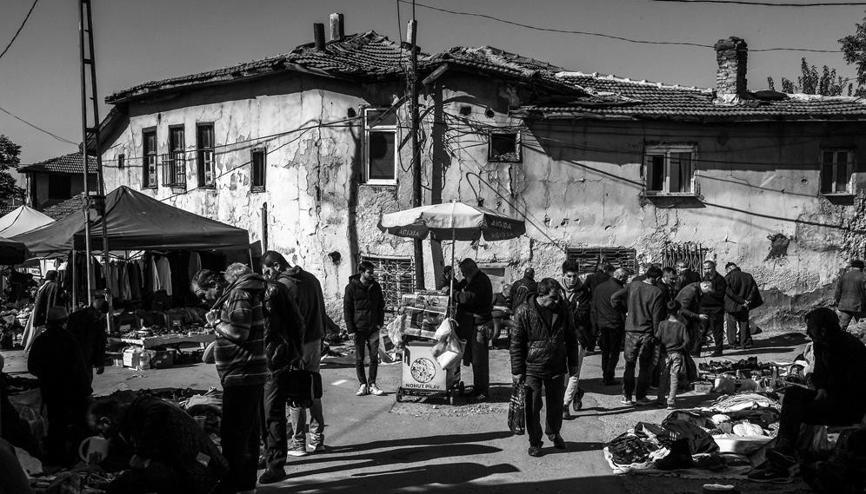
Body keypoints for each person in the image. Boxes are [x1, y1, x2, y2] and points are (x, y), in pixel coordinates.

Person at [749, 307, 866, 483]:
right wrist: (820, 387)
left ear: (823, 330)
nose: (807, 332)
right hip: (831, 398)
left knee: (795, 407)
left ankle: (784, 455)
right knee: (793, 394)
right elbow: (820, 374)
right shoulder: (820, 344)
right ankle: (784, 451)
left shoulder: (850, 347)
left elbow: (853, 385)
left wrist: (826, 390)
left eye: (810, 328)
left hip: (849, 406)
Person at [192, 265, 267, 494]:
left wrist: (215, 323)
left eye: (202, 294)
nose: (203, 300)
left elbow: (239, 332)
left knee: (234, 434)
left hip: (243, 373)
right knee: (247, 432)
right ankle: (245, 484)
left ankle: (234, 483)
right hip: (243, 373)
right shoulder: (236, 294)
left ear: (214, 285)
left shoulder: (238, 295)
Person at [88, 396, 228, 494]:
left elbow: (158, 414)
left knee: (144, 475)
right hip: (198, 463)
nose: (103, 436)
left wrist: (142, 454)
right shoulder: (130, 421)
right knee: (129, 479)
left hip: (205, 465)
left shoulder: (146, 409)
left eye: (99, 430)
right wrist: (104, 462)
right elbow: (132, 458)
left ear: (106, 421)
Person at [261, 251, 327, 456]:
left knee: (295, 392)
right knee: (312, 388)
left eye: (267, 271)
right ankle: (317, 439)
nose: (267, 276)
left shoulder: (281, 286)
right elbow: (321, 310)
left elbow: (282, 321)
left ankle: (298, 443)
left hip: (296, 344)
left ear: (276, 266)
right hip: (315, 340)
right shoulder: (312, 279)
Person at [510, 278, 579, 457]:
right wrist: (517, 370)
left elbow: (571, 338)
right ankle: (535, 442)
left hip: (556, 364)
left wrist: (573, 364)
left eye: (558, 297)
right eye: (553, 297)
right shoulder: (524, 311)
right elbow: (516, 343)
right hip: (532, 367)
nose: (557, 301)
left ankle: (554, 432)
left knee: (556, 404)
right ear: (541, 295)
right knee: (533, 406)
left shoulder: (563, 309)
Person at [27, 307, 91, 466]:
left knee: (55, 423)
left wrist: (46, 376)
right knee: (76, 423)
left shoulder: (41, 340)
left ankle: (55, 457)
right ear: (64, 322)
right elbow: (80, 368)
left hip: (51, 391)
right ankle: (73, 457)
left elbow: (32, 366)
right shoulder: (70, 339)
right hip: (71, 391)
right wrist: (86, 390)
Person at [611, 266, 665, 406]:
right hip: (647, 332)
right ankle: (640, 396)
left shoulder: (633, 285)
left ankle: (626, 396)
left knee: (629, 364)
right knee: (644, 366)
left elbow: (614, 298)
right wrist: (657, 336)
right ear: (658, 278)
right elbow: (656, 318)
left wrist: (626, 312)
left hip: (630, 331)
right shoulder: (657, 292)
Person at [343, 261, 386, 397]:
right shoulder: (351, 288)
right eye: (369, 272)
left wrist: (379, 323)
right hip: (358, 328)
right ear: (362, 272)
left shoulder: (376, 286)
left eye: (372, 272)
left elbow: (381, 306)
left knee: (374, 358)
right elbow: (347, 310)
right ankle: (362, 384)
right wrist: (351, 329)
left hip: (373, 328)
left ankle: (372, 384)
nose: (372, 274)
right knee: (359, 358)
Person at [455, 258, 493, 400]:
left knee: (479, 360)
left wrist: (455, 294)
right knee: (475, 359)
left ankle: (482, 391)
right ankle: (478, 388)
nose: (463, 275)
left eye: (464, 273)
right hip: (472, 324)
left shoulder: (481, 281)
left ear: (470, 271)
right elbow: (461, 286)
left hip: (480, 325)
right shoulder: (471, 280)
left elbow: (467, 298)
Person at [561, 260, 591, 419]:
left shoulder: (584, 291)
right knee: (563, 372)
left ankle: (565, 405)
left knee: (574, 372)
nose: (572, 279)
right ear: (563, 275)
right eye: (569, 276)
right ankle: (577, 392)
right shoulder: (556, 289)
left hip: (578, 336)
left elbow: (583, 315)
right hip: (559, 338)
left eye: (575, 276)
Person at [593, 268, 628, 385]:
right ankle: (609, 375)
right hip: (615, 324)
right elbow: (624, 306)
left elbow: (594, 306)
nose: (627, 280)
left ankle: (605, 374)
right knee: (614, 352)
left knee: (605, 351)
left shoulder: (599, 287)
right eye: (626, 278)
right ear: (621, 277)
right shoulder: (620, 289)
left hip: (602, 323)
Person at [655, 300, 690, 410]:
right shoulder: (681, 326)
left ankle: (660, 400)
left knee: (663, 377)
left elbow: (657, 338)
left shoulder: (662, 324)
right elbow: (686, 341)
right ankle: (671, 401)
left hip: (665, 354)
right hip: (677, 354)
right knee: (674, 377)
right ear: (678, 311)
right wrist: (680, 348)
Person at [66, 297, 109, 384]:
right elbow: (99, 343)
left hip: (83, 359)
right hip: (77, 358)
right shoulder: (76, 318)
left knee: (84, 383)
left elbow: (100, 343)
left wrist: (99, 363)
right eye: (101, 314)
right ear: (98, 311)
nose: (102, 316)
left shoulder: (97, 321)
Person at [23, 270, 66, 352]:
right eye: (57, 276)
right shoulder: (54, 286)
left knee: (35, 332)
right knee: (36, 332)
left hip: (39, 311)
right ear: (55, 277)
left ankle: (28, 348)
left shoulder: (44, 286)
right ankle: (29, 348)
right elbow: (54, 301)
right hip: (44, 312)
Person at [724, 262, 759, 349]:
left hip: (731, 306)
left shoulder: (728, 278)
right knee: (744, 323)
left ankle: (732, 343)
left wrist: (741, 301)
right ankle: (744, 343)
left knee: (731, 325)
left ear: (729, 269)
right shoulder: (748, 276)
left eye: (726, 271)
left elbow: (728, 292)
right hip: (745, 305)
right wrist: (747, 301)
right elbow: (754, 289)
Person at [699, 260, 727, 357]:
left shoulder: (720, 279)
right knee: (702, 330)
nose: (706, 270)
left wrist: (711, 290)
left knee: (717, 330)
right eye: (705, 268)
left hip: (716, 309)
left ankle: (718, 350)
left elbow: (721, 294)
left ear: (714, 268)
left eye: (709, 268)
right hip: (704, 308)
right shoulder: (704, 278)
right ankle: (697, 350)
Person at [676, 281, 710, 357]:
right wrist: (698, 316)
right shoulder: (691, 291)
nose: (708, 293)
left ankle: (693, 352)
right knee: (690, 336)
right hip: (684, 318)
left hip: (689, 317)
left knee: (696, 335)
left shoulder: (696, 289)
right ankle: (690, 353)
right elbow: (682, 309)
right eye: (708, 291)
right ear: (705, 286)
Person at [833, 259, 866, 331]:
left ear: (852, 267)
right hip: (859, 306)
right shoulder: (863, 277)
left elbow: (838, 291)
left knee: (841, 327)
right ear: (862, 268)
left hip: (845, 305)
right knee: (863, 327)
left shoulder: (844, 276)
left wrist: (837, 302)